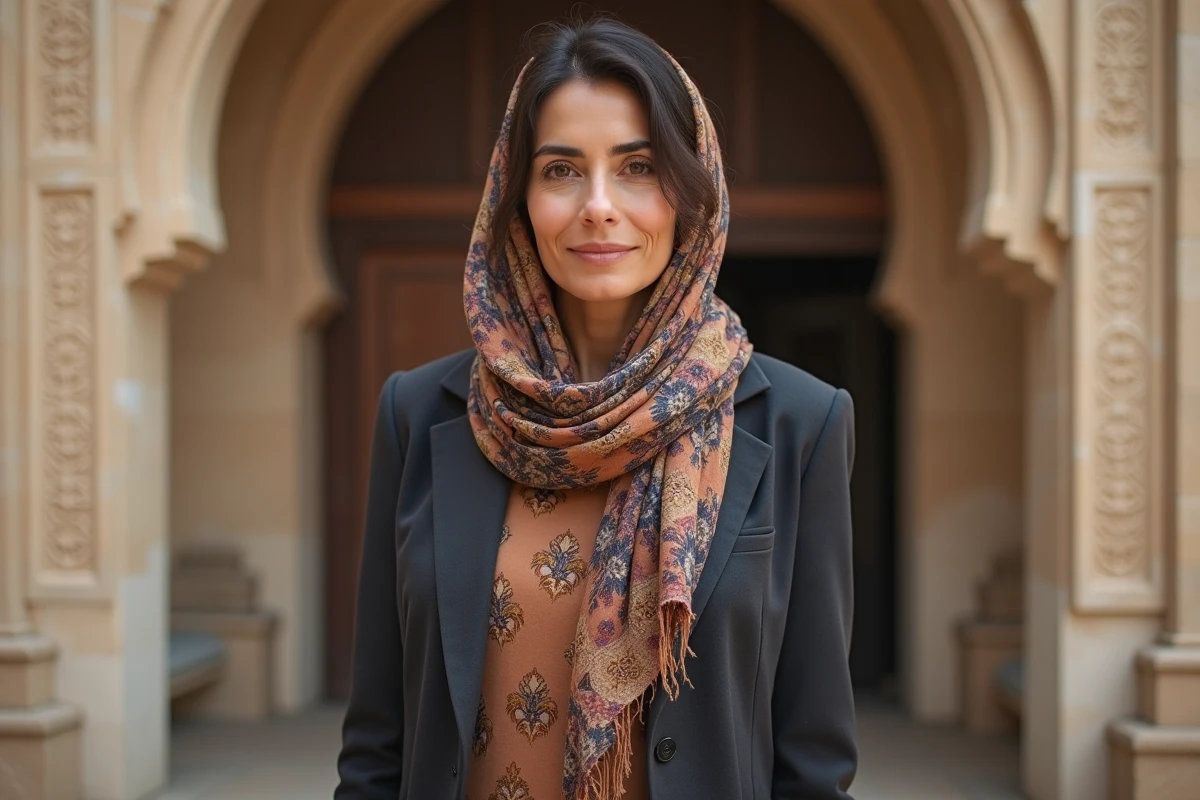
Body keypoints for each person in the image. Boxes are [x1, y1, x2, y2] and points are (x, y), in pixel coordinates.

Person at [334, 17, 856, 800]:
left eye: (639, 166)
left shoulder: (797, 424)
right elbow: (376, 744)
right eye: (560, 170)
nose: (599, 206)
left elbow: (814, 763)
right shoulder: (421, 412)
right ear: (516, 200)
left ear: (692, 190)